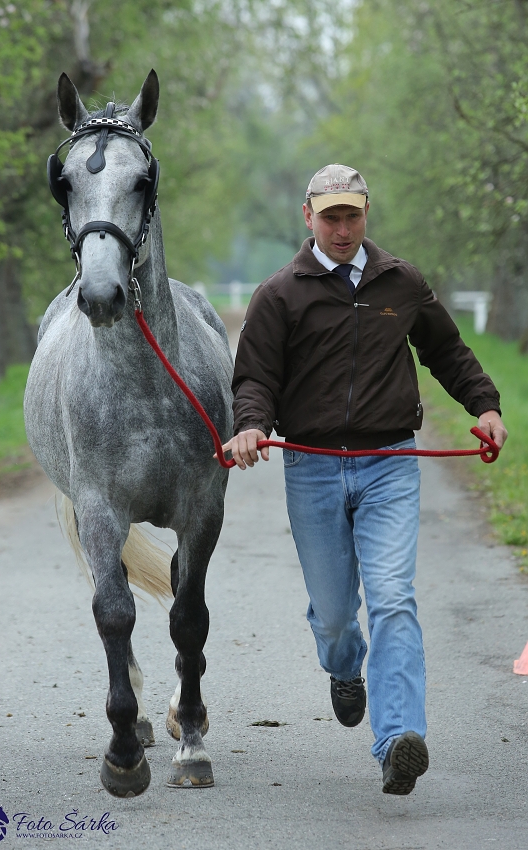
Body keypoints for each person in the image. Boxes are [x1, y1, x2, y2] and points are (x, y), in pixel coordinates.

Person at [222, 163, 508, 795]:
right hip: (312, 469)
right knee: (333, 620)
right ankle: (344, 670)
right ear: (308, 217)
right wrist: (249, 425)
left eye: (352, 215)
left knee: (393, 598)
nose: (343, 228)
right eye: (331, 216)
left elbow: (447, 351)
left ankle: (398, 740)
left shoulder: (400, 282)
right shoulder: (280, 294)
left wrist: (484, 407)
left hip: (390, 465)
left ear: (366, 213)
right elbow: (256, 379)